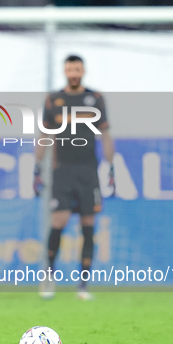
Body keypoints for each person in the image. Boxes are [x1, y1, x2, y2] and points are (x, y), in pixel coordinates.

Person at [34, 55, 115, 300]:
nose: (73, 72)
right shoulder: (53, 99)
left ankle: (83, 285)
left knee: (88, 225)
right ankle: (48, 278)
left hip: (88, 171)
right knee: (58, 221)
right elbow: (44, 134)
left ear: (83, 70)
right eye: (69, 68)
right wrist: (37, 167)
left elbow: (106, 134)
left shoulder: (96, 99)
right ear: (64, 71)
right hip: (62, 171)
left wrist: (111, 167)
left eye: (77, 68)